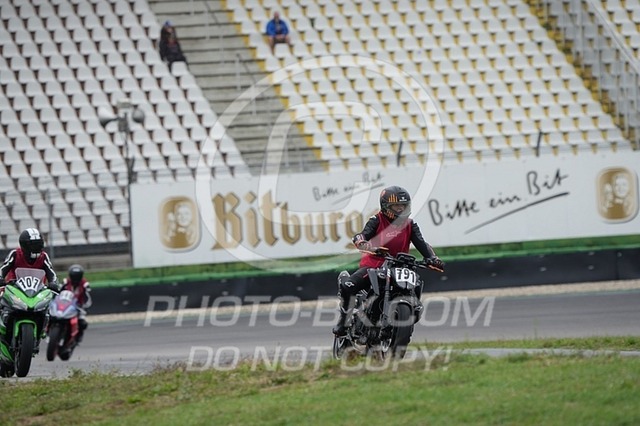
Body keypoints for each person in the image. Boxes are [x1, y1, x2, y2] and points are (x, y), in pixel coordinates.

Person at [332, 186, 445, 336]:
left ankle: (409, 310)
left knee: (416, 284)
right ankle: (344, 320)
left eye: (403, 206)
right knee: (348, 286)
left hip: (400, 267)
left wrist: (432, 259)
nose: (401, 209)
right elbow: (362, 236)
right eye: (397, 206)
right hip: (375, 265)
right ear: (386, 206)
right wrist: (363, 243)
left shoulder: (410, 224)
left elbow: (422, 244)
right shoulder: (376, 220)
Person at [61, 264, 92, 343]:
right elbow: (57, 291)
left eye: (77, 277)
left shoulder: (84, 284)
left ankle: (78, 336)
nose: (75, 280)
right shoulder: (65, 282)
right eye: (74, 277)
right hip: (64, 304)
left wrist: (85, 306)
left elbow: (87, 297)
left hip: (78, 306)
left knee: (83, 323)